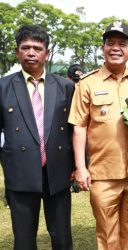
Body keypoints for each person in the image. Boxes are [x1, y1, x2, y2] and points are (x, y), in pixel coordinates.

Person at [68, 20, 128, 250]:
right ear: (102, 49)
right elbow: (79, 127)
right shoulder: (87, 83)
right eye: (110, 43)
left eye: (122, 43)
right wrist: (81, 168)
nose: (115, 47)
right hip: (102, 173)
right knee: (106, 231)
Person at [0, 24, 75, 250]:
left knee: (62, 236)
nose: (31, 52)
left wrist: (79, 166)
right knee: (23, 239)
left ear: (47, 53)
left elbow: (76, 130)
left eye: (37, 48)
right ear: (17, 52)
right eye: (25, 47)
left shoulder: (66, 87)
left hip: (58, 173)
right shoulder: (3, 86)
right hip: (20, 173)